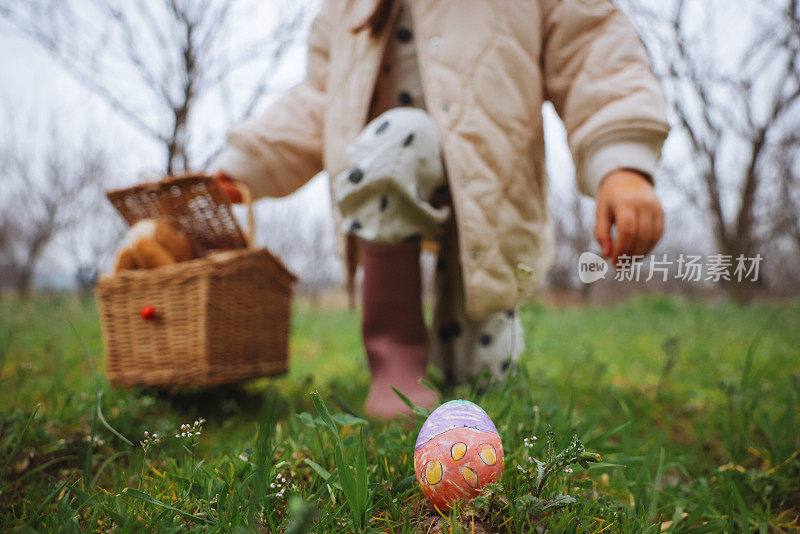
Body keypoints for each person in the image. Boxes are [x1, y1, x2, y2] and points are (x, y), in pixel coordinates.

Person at [213, 0, 670, 419]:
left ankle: (465, 349)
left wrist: (622, 162)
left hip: (490, 181)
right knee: (398, 136)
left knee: (480, 378)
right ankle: (396, 356)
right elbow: (319, 99)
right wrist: (248, 165)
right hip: (388, 180)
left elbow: (593, 52)